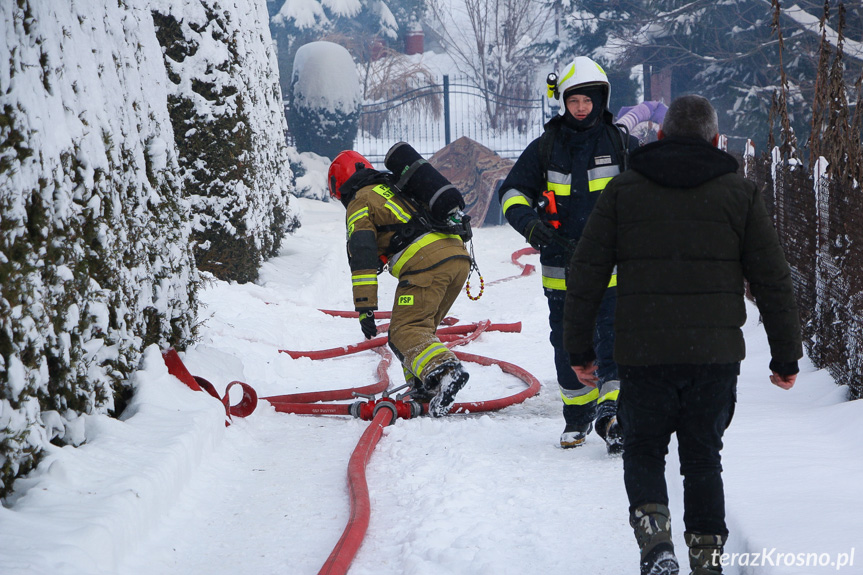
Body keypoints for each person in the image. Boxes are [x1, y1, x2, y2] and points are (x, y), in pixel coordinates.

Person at [562, 94, 803, 575]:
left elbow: (585, 272)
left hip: (643, 353)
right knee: (702, 457)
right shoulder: (741, 194)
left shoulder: (625, 190)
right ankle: (707, 558)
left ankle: (657, 548)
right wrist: (785, 357)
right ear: (717, 141)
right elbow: (772, 279)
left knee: (645, 448)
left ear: (660, 135)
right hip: (712, 359)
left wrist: (579, 349)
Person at [498, 56, 639, 452]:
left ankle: (614, 415)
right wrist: (532, 227)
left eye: (588, 100)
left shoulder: (622, 144)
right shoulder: (546, 146)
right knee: (566, 342)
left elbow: (653, 186)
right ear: (564, 101)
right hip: (560, 267)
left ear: (601, 100)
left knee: (614, 339)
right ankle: (577, 416)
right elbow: (511, 193)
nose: (581, 108)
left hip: (613, 266)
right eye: (574, 100)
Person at [327, 149, 471, 417]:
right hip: (457, 258)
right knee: (420, 329)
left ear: (339, 187)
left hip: (427, 265)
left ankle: (447, 371)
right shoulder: (394, 186)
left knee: (405, 331)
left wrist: (365, 307)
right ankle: (424, 386)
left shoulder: (360, 201)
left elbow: (362, 255)